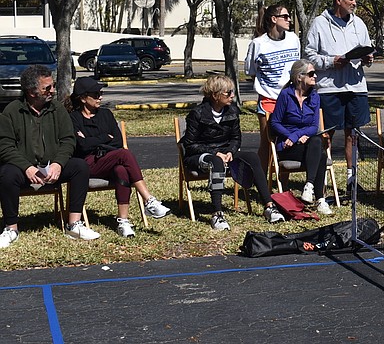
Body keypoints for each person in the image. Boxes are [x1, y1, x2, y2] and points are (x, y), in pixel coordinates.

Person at [0, 65, 100, 247]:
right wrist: (26, 167)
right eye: (47, 88)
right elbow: (5, 146)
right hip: (24, 169)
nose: (52, 91)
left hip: (51, 167)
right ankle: (11, 228)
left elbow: (68, 140)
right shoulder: (11, 112)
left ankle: (74, 224)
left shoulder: (57, 109)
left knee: (80, 166)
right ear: (31, 92)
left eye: (53, 86)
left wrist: (58, 163)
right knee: (6, 174)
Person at [67, 77, 171, 237]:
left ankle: (123, 222)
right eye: (95, 94)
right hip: (87, 164)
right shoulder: (73, 118)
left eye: (100, 93)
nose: (100, 97)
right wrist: (104, 137)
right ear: (82, 98)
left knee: (122, 170)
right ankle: (149, 200)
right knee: (124, 154)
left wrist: (93, 140)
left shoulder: (106, 114)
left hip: (108, 160)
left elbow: (117, 140)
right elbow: (82, 146)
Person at [181, 74, 285, 230]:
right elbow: (189, 144)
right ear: (215, 95)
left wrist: (230, 151)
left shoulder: (232, 112)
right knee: (216, 162)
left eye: (232, 92)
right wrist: (215, 153)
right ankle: (217, 214)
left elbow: (236, 139)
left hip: (225, 153)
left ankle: (269, 206)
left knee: (252, 157)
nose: (232, 96)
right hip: (199, 155)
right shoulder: (197, 114)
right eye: (228, 93)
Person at [305, 0, 373, 196]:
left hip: (356, 87)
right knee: (327, 135)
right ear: (339, 1)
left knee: (353, 134)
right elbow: (309, 56)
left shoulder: (358, 23)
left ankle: (352, 182)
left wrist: (367, 57)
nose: (354, 3)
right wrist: (331, 61)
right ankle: (322, 182)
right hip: (329, 89)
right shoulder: (319, 23)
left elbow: (367, 48)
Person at [268, 60, 334, 216]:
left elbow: (313, 126)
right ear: (299, 77)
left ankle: (310, 187)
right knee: (321, 154)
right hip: (287, 145)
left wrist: (300, 136)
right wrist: (292, 136)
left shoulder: (315, 97)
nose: (315, 76)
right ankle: (320, 199)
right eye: (311, 74)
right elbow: (274, 123)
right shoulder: (286, 95)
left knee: (318, 143)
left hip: (306, 143)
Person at [244, 2, 301, 172]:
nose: (289, 19)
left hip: (291, 98)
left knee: (287, 141)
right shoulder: (258, 44)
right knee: (267, 141)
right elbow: (251, 71)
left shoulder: (293, 39)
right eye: (285, 16)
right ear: (274, 19)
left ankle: (283, 186)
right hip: (269, 99)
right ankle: (262, 183)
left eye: (289, 16)